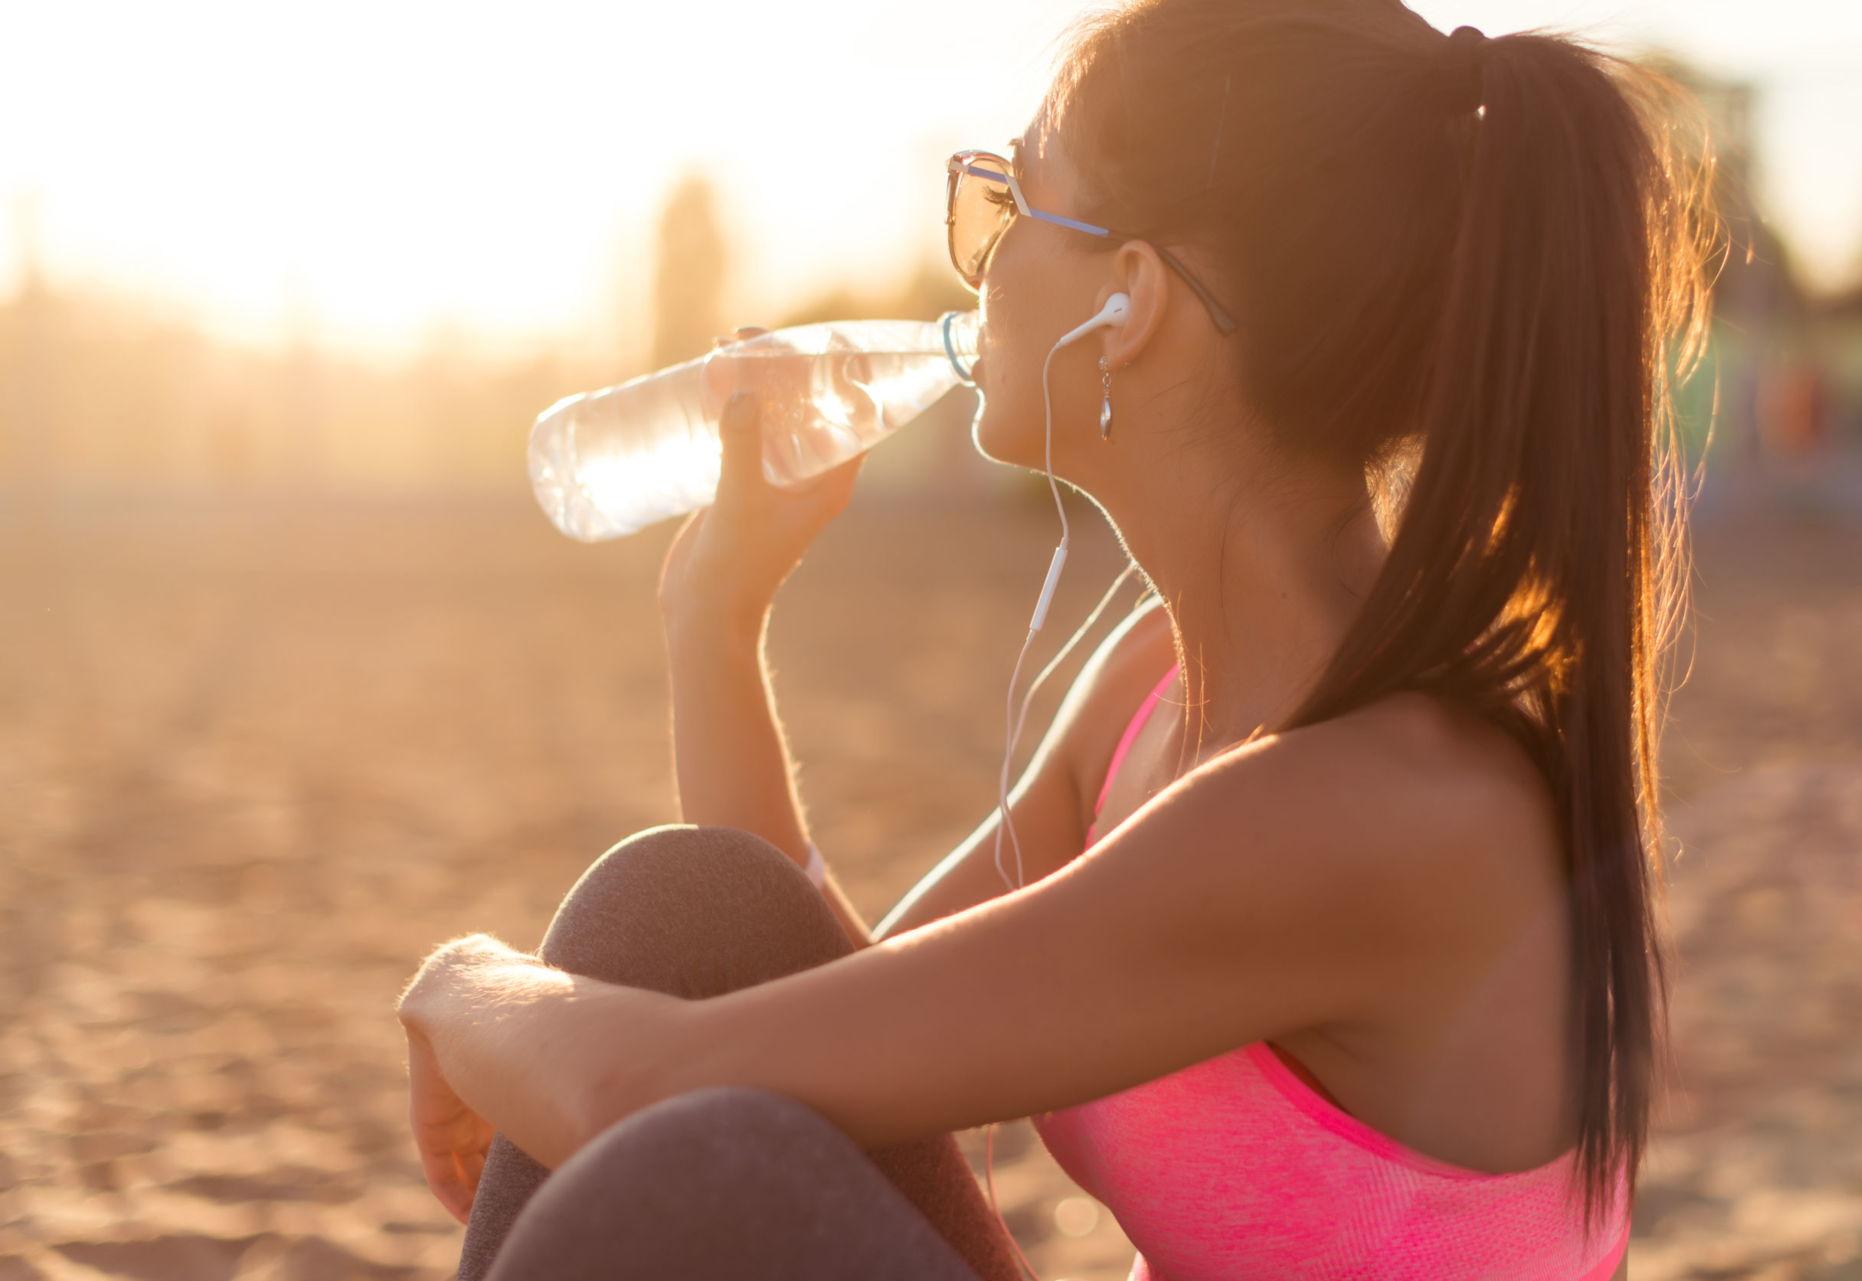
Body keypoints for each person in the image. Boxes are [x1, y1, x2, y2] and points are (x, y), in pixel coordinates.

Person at [394, 0, 1718, 1276]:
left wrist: (459, 988)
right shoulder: (1155, 680)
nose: (976, 252)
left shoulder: (1377, 809)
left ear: (1126, 298)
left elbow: (656, 1092)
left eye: (1010, 200)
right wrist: (716, 610)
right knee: (684, 907)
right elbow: (820, 1015)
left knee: (699, 1164)